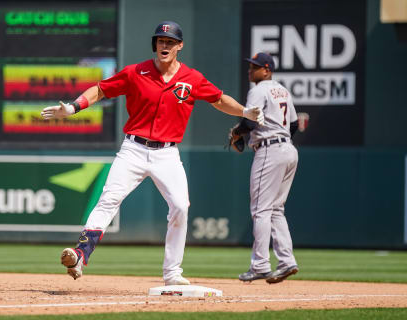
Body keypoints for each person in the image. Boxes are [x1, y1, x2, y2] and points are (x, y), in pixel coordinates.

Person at [41, 21, 263, 286]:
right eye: (160, 41)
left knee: (180, 206)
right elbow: (101, 89)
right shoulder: (136, 72)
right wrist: (74, 107)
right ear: (155, 45)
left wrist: (244, 112)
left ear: (179, 46)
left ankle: (172, 273)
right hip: (133, 149)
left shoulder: (192, 78)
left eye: (170, 41)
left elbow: (218, 99)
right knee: (109, 200)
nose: (164, 45)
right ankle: (81, 254)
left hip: (167, 154)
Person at [232, 52, 299, 284]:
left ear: (267, 70)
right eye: (250, 66)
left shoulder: (258, 90)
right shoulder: (283, 90)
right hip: (288, 150)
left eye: (256, 67)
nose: (251, 70)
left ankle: (260, 265)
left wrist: (236, 132)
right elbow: (294, 124)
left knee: (260, 210)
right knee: (276, 210)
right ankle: (287, 261)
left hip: (270, 150)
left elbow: (250, 120)